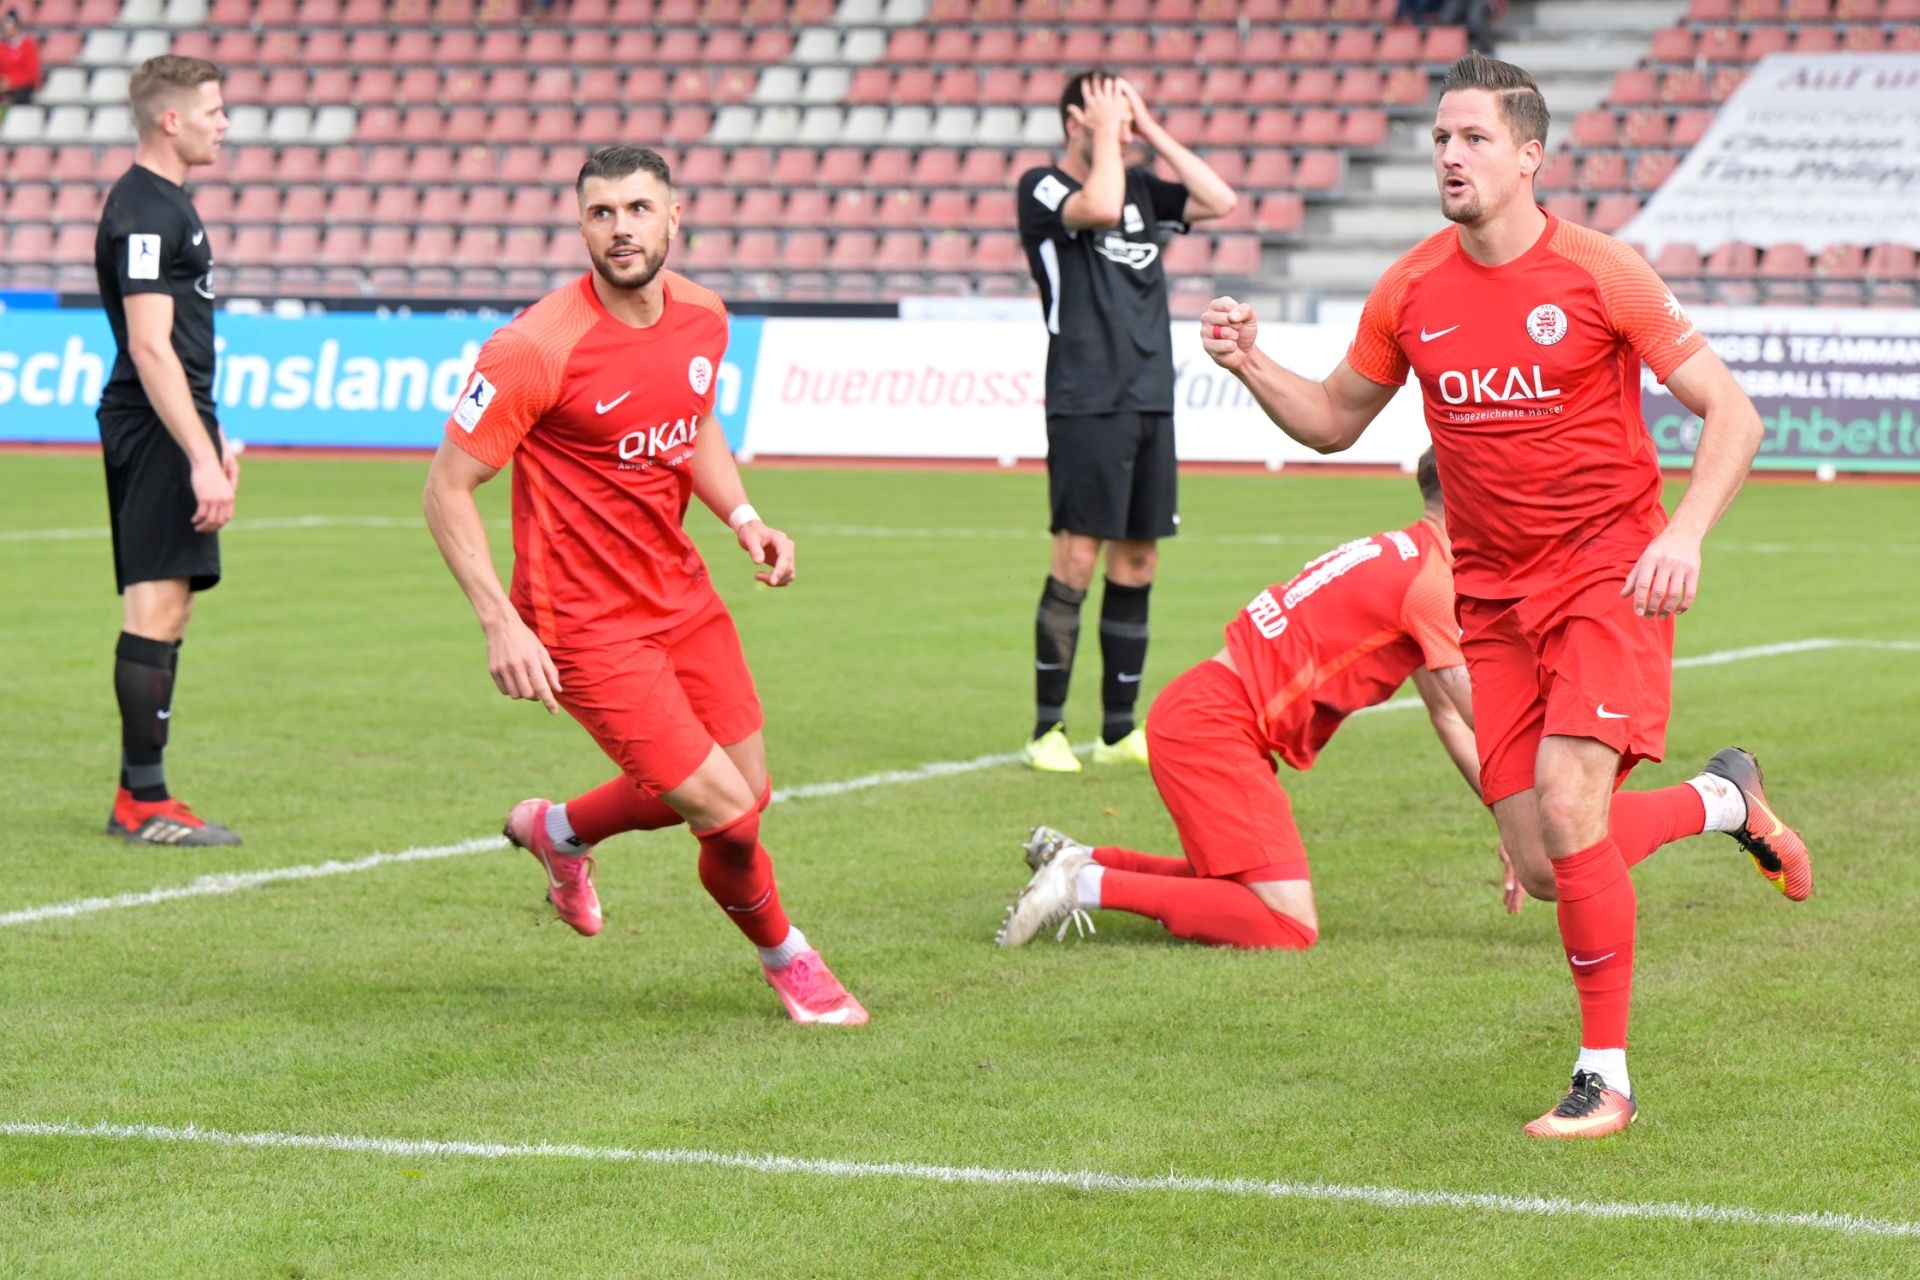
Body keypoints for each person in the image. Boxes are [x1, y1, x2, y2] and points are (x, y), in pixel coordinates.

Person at [1197, 52, 1810, 1138]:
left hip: (1606, 579)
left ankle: (1605, 1076)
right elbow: (1338, 417)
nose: (1449, 154)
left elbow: (1734, 413)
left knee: (1574, 812)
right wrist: (1251, 364)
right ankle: (1728, 801)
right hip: (1491, 600)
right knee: (1546, 853)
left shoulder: (1601, 272)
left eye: (1473, 138)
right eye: (1441, 138)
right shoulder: (1413, 285)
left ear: (1529, 158)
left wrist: (1684, 533)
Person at [422, 144, 866, 1027]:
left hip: (683, 595)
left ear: (674, 216)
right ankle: (794, 965)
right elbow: (445, 489)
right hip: (582, 623)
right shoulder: (531, 349)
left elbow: (692, 419)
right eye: (600, 213)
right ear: (580, 224)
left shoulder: (705, 315)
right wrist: (501, 624)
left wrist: (745, 518)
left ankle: (556, 833)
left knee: (749, 789)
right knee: (730, 818)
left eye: (636, 209)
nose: (619, 228)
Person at [997, 451, 1480, 953]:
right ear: (1473, 498)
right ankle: (1080, 885)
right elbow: (1477, 714)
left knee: (1245, 888)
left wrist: (1509, 823)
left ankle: (1085, 860)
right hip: (1214, 725)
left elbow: (1448, 713)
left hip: (1203, 710)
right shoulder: (1432, 583)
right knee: (1289, 925)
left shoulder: (1403, 553)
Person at [1015, 70, 1238, 773]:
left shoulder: (1142, 185)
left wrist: (1150, 128)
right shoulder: (1043, 187)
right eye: (1106, 113)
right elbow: (1101, 202)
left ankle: (1117, 731)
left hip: (1149, 395)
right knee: (1077, 557)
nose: (1119, 127)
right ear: (1074, 121)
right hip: (1086, 396)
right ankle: (1048, 729)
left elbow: (1219, 198)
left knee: (1138, 560)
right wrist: (1107, 135)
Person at [94, 55, 239, 846]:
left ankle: (143, 792)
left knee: (174, 606)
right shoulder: (146, 210)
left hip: (173, 422)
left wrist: (217, 439)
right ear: (170, 119)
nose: (224, 123)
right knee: (153, 605)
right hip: (153, 426)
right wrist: (199, 454)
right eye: (213, 110)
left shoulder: (169, 204)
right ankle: (140, 802)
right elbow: (151, 349)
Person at [0, 10, 42, 106]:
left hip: (24, 87)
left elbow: (31, 73)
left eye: (10, 27)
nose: (7, 30)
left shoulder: (28, 46)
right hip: (4, 87)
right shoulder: (2, 47)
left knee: (19, 96)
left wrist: (12, 82)